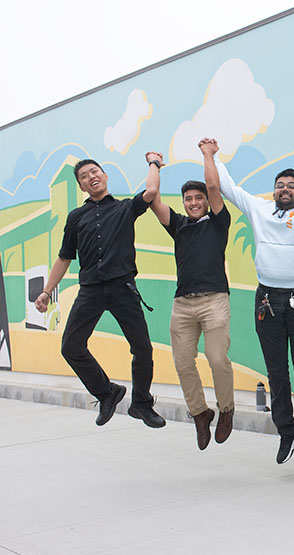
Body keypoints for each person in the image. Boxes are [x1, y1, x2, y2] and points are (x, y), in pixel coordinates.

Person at [214, 143, 294, 464]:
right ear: (274, 190)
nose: (285, 190)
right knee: (276, 370)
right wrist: (212, 156)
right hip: (267, 298)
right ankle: (285, 430)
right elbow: (229, 188)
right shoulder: (259, 208)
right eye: (280, 185)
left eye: (291, 186)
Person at [34, 156, 165, 428]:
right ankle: (107, 393)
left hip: (122, 287)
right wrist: (47, 291)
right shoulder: (76, 217)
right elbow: (64, 257)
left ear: (105, 176)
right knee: (70, 346)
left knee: (142, 349)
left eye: (95, 172)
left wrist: (154, 163)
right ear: (81, 186)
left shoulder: (125, 209)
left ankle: (141, 404)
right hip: (91, 290)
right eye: (84, 176)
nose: (90, 177)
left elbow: (151, 192)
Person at [146, 140, 235, 450]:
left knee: (216, 357)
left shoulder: (218, 222)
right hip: (182, 305)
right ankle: (200, 413)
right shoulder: (179, 226)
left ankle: (226, 409)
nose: (195, 202)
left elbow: (213, 184)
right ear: (183, 202)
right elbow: (152, 197)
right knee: (183, 364)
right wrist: (155, 164)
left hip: (214, 301)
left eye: (199, 198)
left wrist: (208, 154)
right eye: (189, 199)